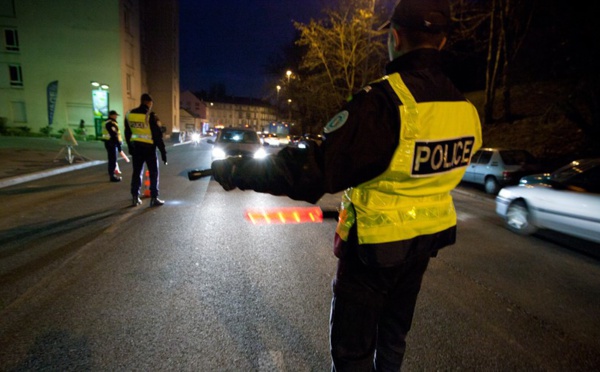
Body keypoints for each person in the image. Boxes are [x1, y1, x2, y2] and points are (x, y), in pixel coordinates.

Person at [210, 0, 483, 369]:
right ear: (443, 41)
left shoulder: (385, 103)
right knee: (393, 336)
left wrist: (235, 171)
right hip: (423, 246)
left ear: (395, 37)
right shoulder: (465, 110)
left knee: (352, 352)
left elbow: (313, 171)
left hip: (373, 251)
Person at [125, 93, 167, 207]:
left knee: (137, 173)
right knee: (153, 173)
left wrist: (130, 147)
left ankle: (135, 197)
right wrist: (163, 153)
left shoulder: (130, 115)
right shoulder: (150, 115)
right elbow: (158, 136)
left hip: (136, 148)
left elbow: (127, 133)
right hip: (149, 149)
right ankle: (154, 198)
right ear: (149, 103)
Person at [102, 110, 123, 182]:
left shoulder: (107, 122)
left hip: (109, 142)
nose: (116, 116)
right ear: (111, 115)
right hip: (112, 143)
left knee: (112, 159)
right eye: (115, 115)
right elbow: (114, 135)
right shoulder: (110, 123)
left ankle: (112, 174)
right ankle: (112, 176)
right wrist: (119, 145)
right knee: (112, 160)